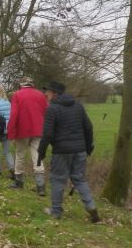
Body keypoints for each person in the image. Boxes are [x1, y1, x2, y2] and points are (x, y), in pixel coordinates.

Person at [38, 81, 100, 223]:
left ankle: (56, 211)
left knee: (58, 179)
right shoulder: (78, 106)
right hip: (80, 150)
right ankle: (91, 207)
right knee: (79, 179)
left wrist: (41, 152)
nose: (45, 94)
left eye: (48, 91)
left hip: (61, 151)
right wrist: (88, 147)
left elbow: (47, 134)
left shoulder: (52, 109)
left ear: (55, 93)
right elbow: (88, 127)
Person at [8, 76, 50, 195]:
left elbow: (14, 114)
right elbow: (47, 112)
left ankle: (19, 182)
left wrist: (11, 132)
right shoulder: (41, 95)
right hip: (38, 130)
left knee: (20, 154)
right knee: (37, 156)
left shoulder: (17, 95)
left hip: (22, 130)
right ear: (32, 84)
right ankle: (40, 186)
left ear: (21, 85)